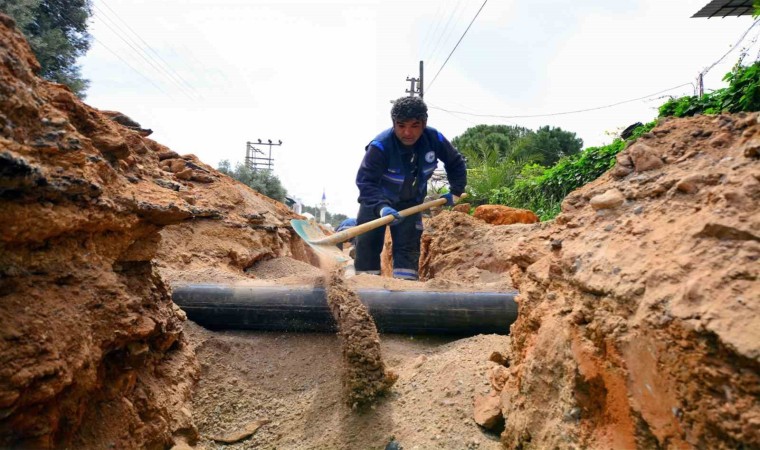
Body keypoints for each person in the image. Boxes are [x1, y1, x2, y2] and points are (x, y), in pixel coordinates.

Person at [354, 96, 467, 280]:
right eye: (401, 125)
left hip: (410, 205)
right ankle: (366, 295)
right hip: (375, 205)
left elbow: (455, 162)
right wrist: (381, 207)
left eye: (414, 125)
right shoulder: (380, 146)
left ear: (424, 124)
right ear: (394, 124)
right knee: (367, 249)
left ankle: (404, 297)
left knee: (408, 255)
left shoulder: (434, 139)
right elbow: (365, 182)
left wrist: (456, 190)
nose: (408, 132)